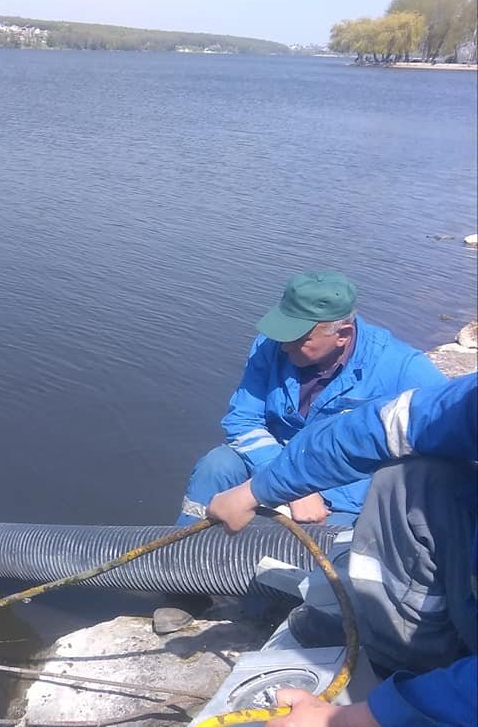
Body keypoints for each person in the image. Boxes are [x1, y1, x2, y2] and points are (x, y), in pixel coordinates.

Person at [209, 373, 477, 726]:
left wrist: (357, 718)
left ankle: (426, 694)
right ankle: (413, 662)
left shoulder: (400, 363)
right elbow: (377, 427)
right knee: (412, 480)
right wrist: (258, 490)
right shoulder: (468, 402)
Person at [176, 270, 446, 527]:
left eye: (298, 337)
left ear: (343, 335)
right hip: (272, 462)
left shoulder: (403, 368)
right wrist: (288, 483)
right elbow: (243, 418)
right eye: (282, 331)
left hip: (343, 493)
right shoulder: (271, 345)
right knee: (218, 464)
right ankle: (176, 554)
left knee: (321, 556)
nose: (284, 345)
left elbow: (448, 436)